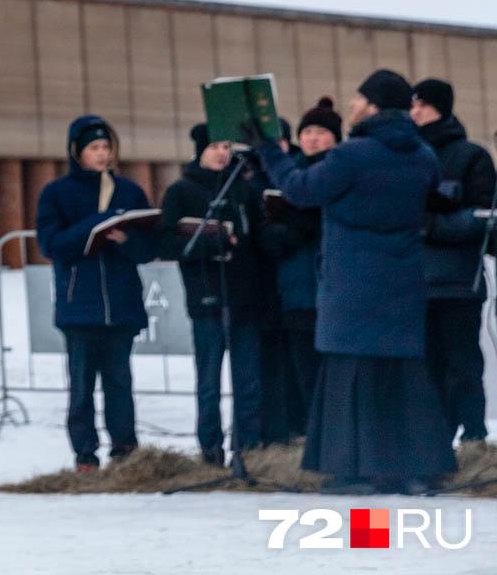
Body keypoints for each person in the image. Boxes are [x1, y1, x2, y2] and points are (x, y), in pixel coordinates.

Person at [257, 69, 453, 491]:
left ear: (375, 105)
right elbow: (433, 192)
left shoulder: (352, 154)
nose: (351, 105)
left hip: (353, 283)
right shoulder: (422, 155)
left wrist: (269, 153)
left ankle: (355, 470)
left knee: (352, 375)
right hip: (402, 280)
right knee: (401, 376)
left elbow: (301, 190)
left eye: (358, 98)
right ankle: (408, 469)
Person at [36, 115, 155, 471]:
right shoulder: (56, 193)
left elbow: (148, 248)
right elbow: (50, 243)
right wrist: (95, 224)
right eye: (94, 148)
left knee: (120, 381)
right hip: (79, 307)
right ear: (77, 152)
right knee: (82, 385)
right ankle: (85, 453)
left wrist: (125, 239)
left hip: (122, 305)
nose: (102, 154)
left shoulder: (129, 191)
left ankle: (125, 448)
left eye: (106, 147)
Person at [159, 125, 271, 464]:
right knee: (208, 382)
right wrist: (213, 242)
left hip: (245, 297)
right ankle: (210, 448)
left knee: (247, 381)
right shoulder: (181, 191)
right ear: (199, 150)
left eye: (226, 146)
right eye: (214, 147)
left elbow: (259, 237)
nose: (222, 153)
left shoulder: (244, 190)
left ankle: (247, 448)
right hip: (206, 297)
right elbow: (167, 242)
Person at [413, 77, 494, 447]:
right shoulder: (409, 156)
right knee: (427, 368)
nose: (412, 112)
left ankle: (475, 439)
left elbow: (484, 217)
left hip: (459, 281)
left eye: (419, 105)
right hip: (415, 283)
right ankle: (436, 444)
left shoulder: (470, 156)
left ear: (435, 108)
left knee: (463, 365)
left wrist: (431, 226)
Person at [260, 97, 341, 438]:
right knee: (302, 373)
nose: (312, 138)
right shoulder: (288, 175)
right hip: (294, 291)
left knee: (331, 375)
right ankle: (308, 439)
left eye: (321, 131)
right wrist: (286, 230)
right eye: (306, 131)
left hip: (334, 293)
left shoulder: (340, 171)